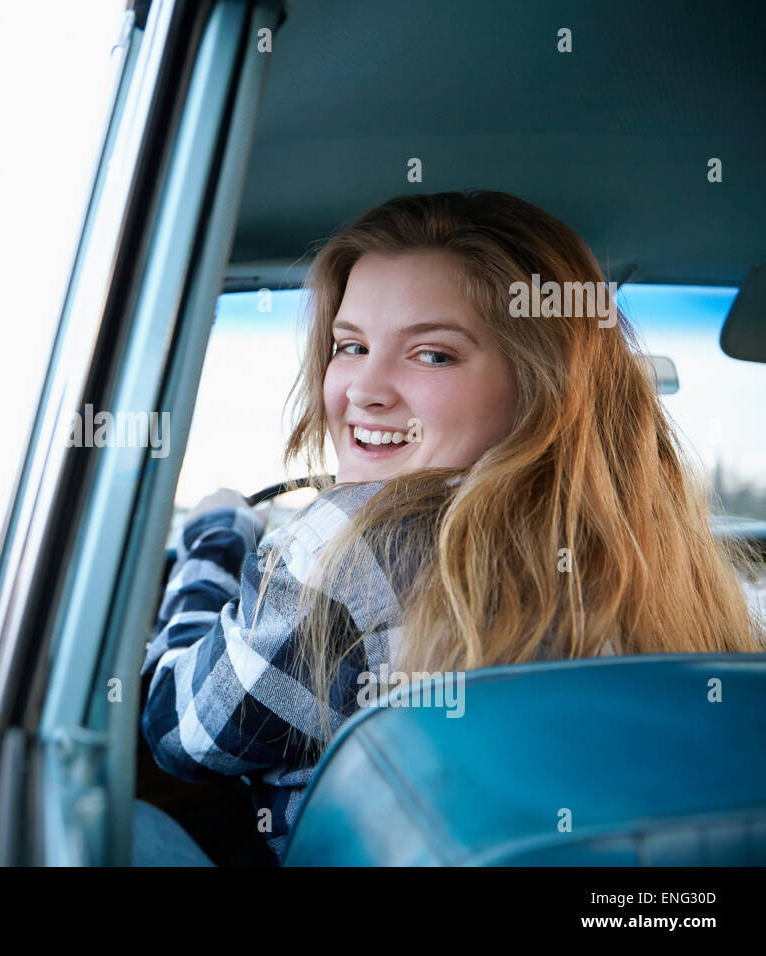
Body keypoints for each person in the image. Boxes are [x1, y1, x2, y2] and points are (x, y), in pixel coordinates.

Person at [138, 190, 766, 866]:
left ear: (541, 383)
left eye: (432, 355)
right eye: (351, 346)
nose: (363, 390)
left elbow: (182, 731)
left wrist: (213, 544)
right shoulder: (677, 560)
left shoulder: (356, 537)